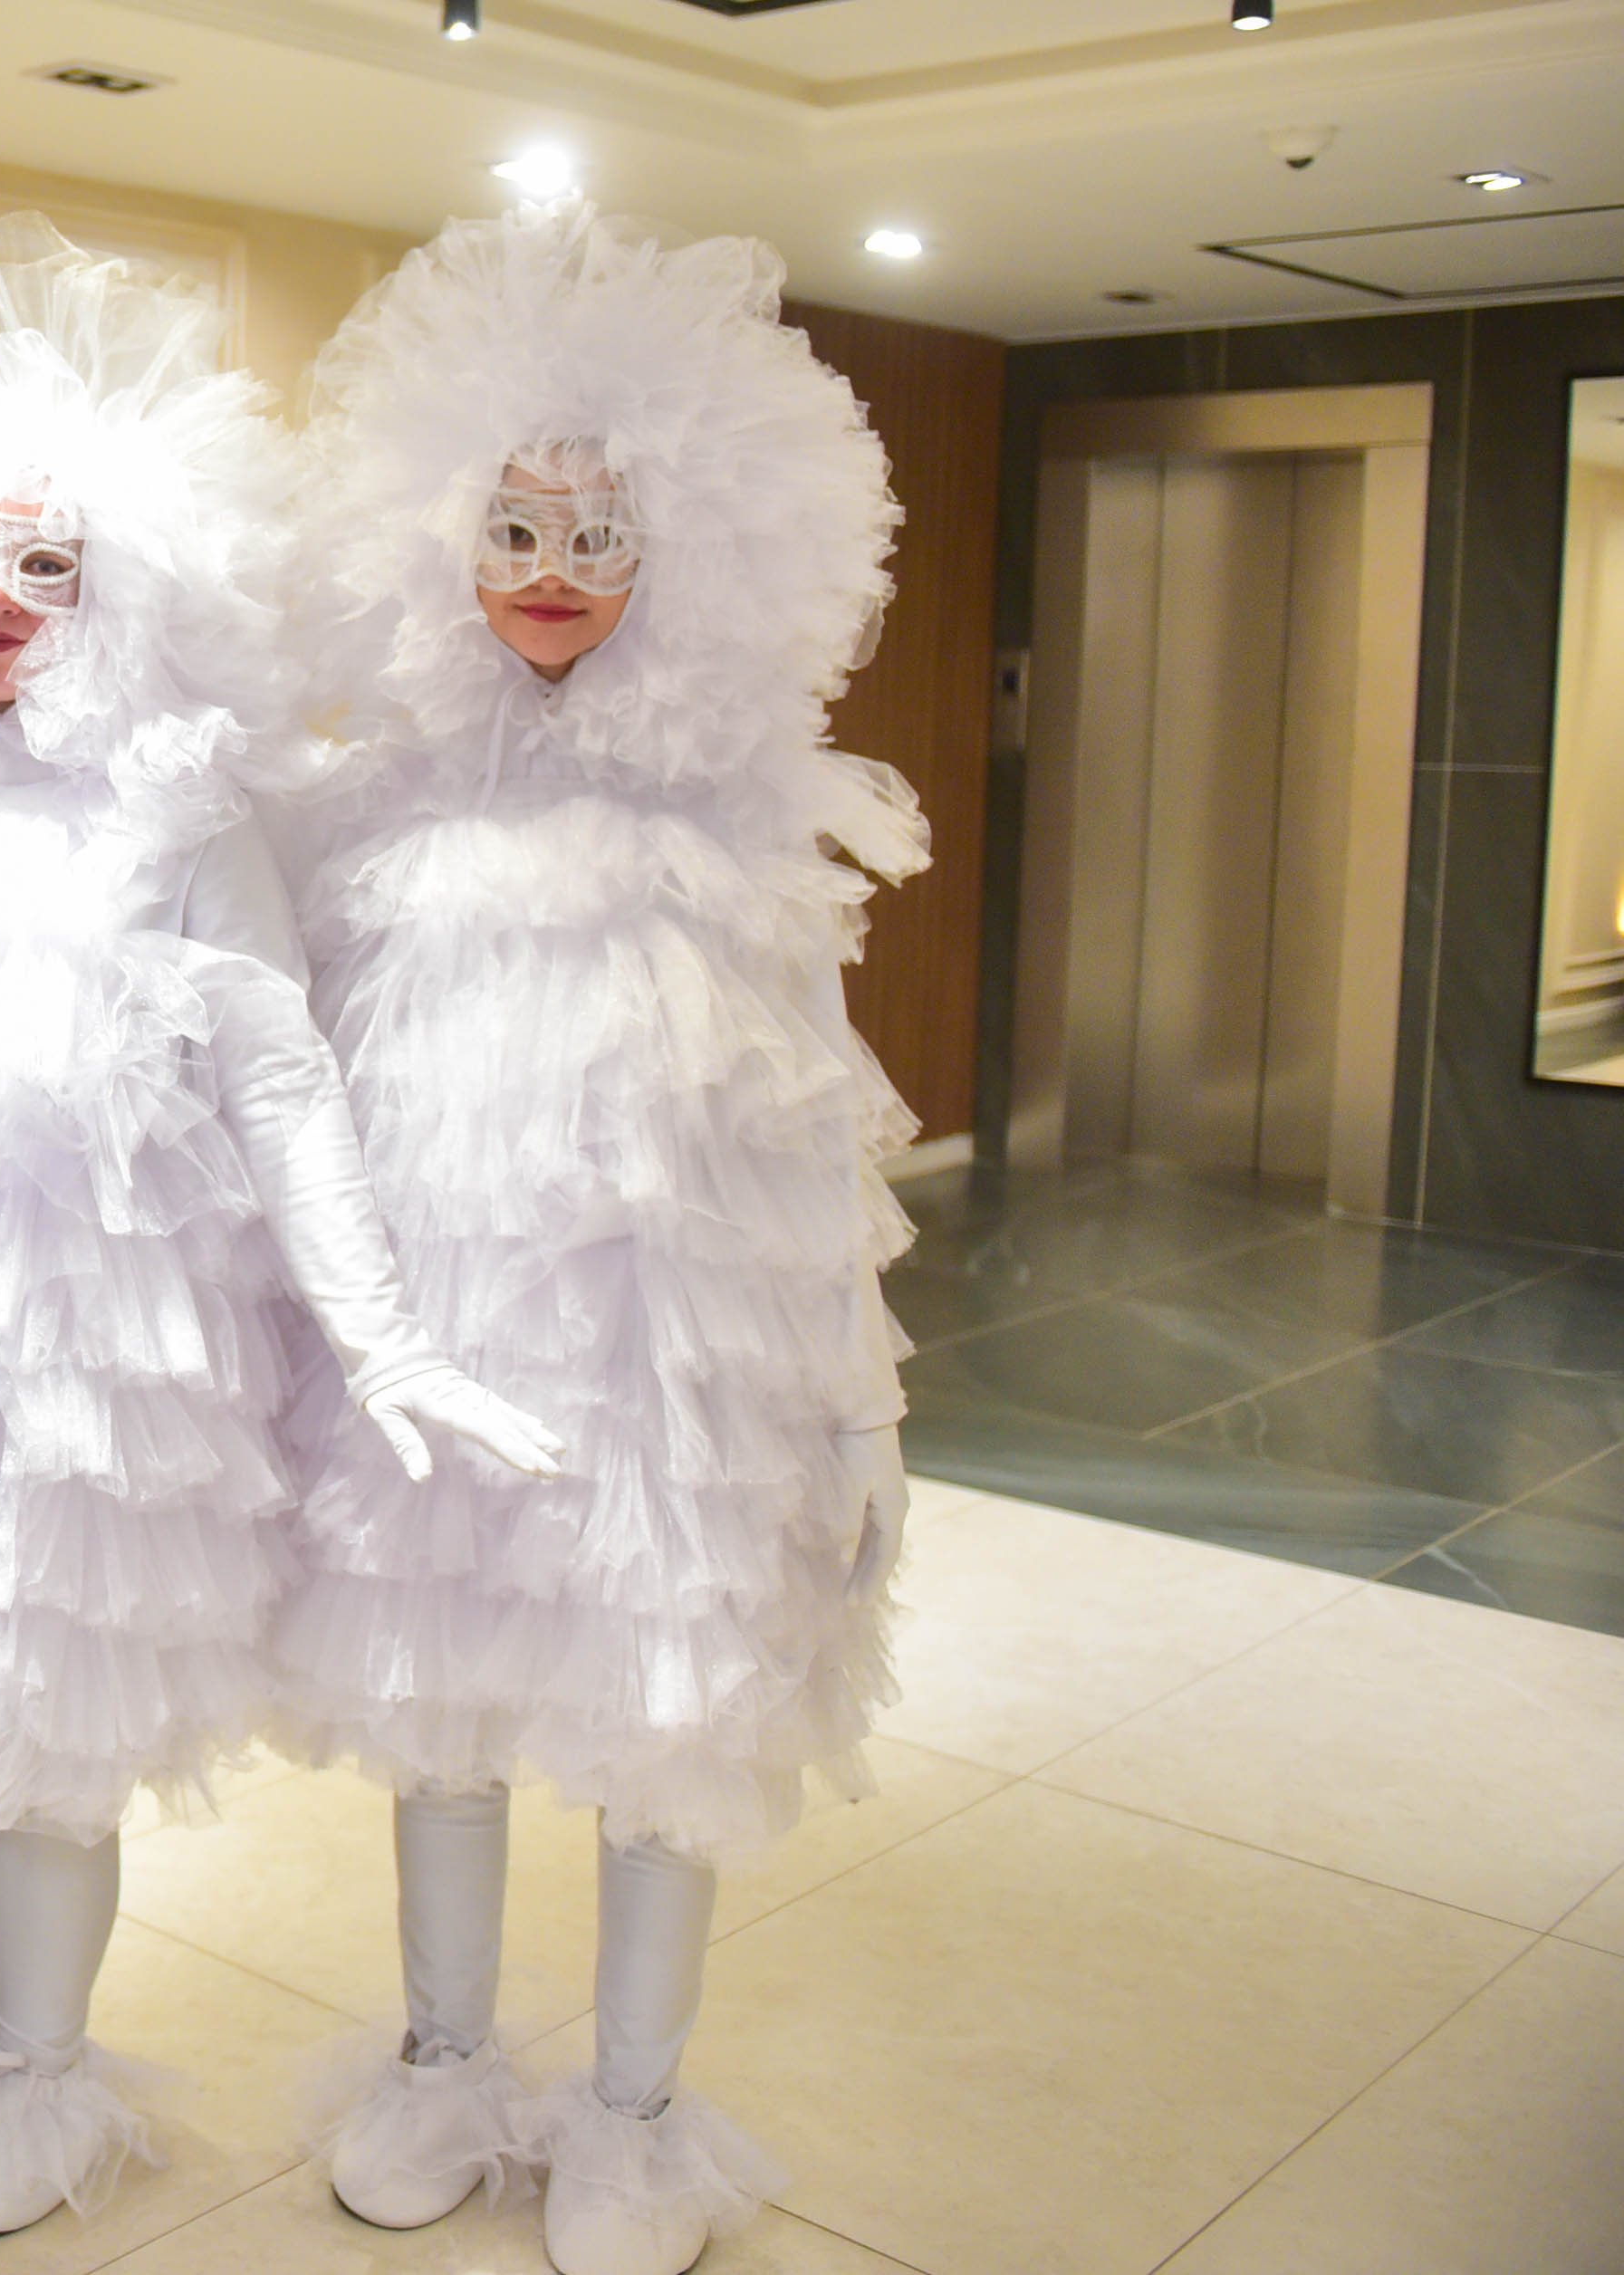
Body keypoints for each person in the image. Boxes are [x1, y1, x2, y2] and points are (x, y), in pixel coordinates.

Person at [0, 219, 564, 2238]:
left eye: (48, 564)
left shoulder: (180, 814)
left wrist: (382, 1333)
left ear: (126, 586)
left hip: (85, 1360)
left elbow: (282, 1079)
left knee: (37, 1702)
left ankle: (39, 2065)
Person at [262, 202, 922, 2275]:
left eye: (599, 535)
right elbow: (316, 1088)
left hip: (671, 1357)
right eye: (514, 529)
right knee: (440, 1706)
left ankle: (633, 2113)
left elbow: (813, 1120)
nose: (550, 571)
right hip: (448, 1346)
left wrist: (859, 1405)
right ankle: (442, 2059)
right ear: (439, 542)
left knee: (661, 1717)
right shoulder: (380, 806)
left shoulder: (746, 826)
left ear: (687, 554)